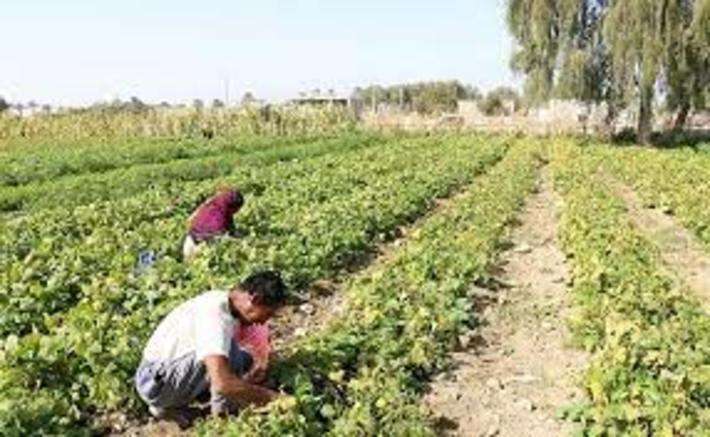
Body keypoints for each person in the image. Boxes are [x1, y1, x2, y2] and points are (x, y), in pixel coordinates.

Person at [134, 270, 286, 423]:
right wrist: (274, 399)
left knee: (243, 359)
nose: (263, 322)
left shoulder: (224, 301)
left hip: (161, 375)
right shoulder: (216, 314)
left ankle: (170, 406)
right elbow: (223, 383)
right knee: (227, 357)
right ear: (255, 299)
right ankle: (223, 416)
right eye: (267, 314)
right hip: (155, 381)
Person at [183, 188, 244, 260]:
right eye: (237, 209)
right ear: (233, 207)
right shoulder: (218, 219)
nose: (236, 212)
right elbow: (221, 238)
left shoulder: (215, 204)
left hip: (189, 242)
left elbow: (231, 226)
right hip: (200, 251)